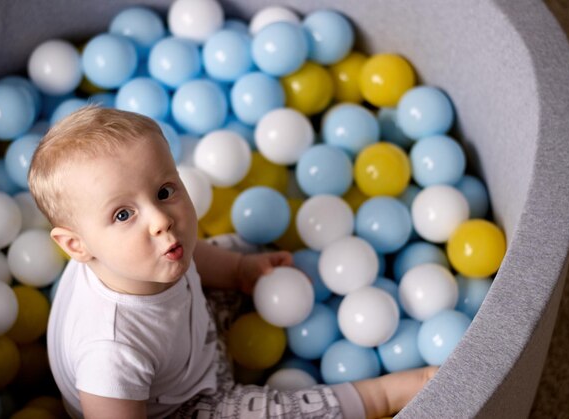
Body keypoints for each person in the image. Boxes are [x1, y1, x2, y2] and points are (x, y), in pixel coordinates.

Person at [28, 106, 437, 419]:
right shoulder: (111, 352)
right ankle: (385, 395)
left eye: (165, 190)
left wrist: (241, 271)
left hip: (187, 343)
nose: (160, 219)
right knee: (279, 412)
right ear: (77, 247)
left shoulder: (148, 252)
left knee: (242, 246)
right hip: (180, 405)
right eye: (122, 214)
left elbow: (192, 257)